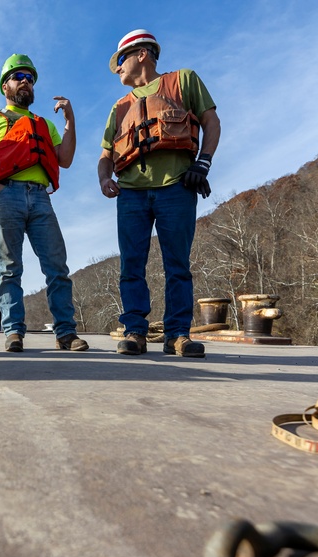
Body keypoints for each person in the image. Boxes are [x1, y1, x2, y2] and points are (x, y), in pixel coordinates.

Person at [97, 30, 221, 358]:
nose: (117, 69)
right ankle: (135, 331)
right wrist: (103, 178)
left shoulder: (184, 81)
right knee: (131, 265)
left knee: (177, 264)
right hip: (131, 195)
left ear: (142, 54)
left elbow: (211, 121)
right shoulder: (119, 108)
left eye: (120, 61)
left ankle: (178, 334)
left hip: (176, 189)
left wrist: (203, 164)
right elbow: (106, 154)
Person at [0, 54, 88, 353]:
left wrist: (70, 119)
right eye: (19, 76)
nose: (25, 81)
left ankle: (66, 333)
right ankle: (13, 331)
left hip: (40, 198)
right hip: (6, 194)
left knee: (57, 266)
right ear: (5, 86)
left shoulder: (45, 125)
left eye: (30, 78)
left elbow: (66, 160)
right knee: (10, 268)